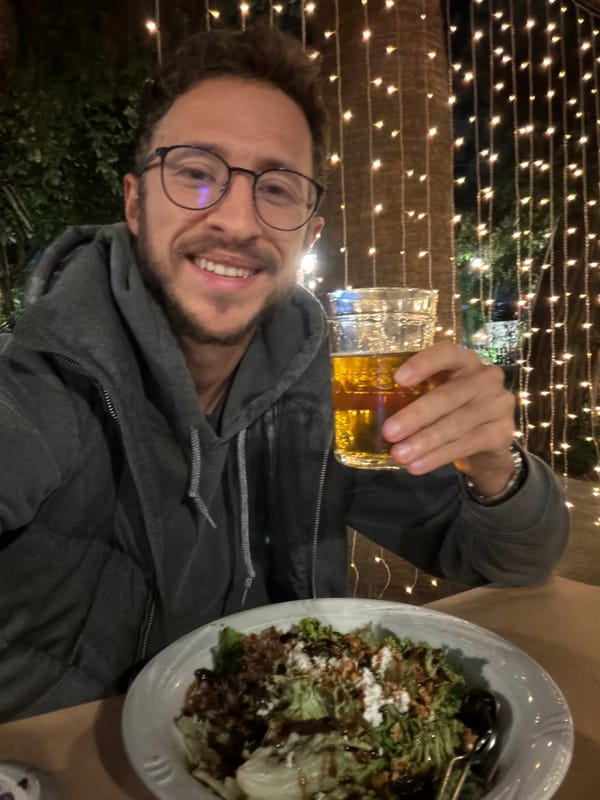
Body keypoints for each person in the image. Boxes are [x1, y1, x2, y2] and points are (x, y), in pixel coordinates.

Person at [0, 25, 569, 722]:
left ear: (310, 231)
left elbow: (509, 560)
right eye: (194, 172)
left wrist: (496, 468)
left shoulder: (329, 393)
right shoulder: (46, 381)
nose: (237, 219)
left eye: (277, 187)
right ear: (134, 201)